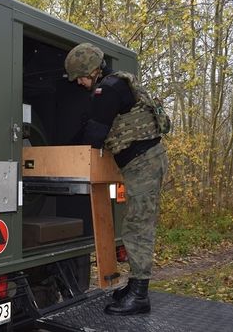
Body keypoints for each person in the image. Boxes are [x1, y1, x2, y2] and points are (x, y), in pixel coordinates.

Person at [64, 42, 168, 316]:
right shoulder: (117, 85)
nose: (80, 84)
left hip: (143, 164)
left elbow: (95, 135)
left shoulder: (106, 89)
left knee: (138, 226)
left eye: (80, 78)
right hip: (143, 162)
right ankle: (134, 286)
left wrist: (65, 154)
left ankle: (140, 296)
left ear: (91, 70)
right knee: (135, 223)